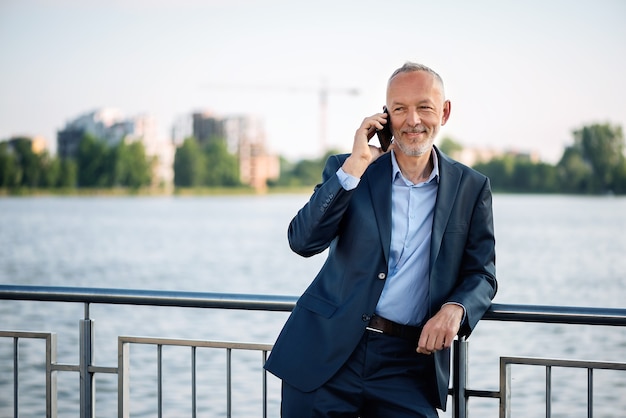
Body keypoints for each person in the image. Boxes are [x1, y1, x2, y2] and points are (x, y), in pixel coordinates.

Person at [264, 62, 497, 417]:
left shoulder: (471, 187)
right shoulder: (350, 170)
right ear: (385, 115)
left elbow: (482, 273)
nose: (412, 120)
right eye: (399, 109)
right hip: (324, 356)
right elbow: (302, 241)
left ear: (445, 112)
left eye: (424, 107)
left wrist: (456, 309)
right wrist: (355, 166)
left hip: (406, 365)